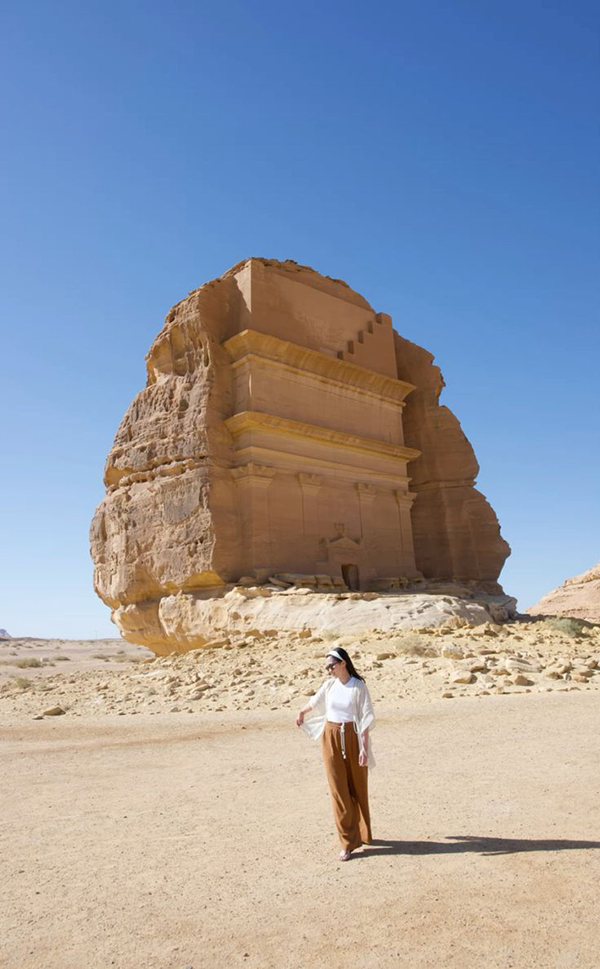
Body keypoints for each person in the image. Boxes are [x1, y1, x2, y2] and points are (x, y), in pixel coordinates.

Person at [296, 647, 375, 861]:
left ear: (343, 663)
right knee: (338, 790)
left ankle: (363, 832)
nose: (329, 670)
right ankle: (347, 842)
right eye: (327, 667)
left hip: (352, 736)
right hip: (330, 736)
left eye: (331, 665)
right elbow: (315, 701)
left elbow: (366, 718)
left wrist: (364, 749)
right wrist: (302, 712)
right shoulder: (329, 685)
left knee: (357, 787)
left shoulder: (358, 686)